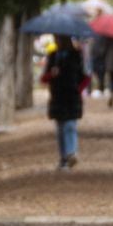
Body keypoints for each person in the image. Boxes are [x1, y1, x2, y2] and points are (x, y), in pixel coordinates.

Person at [42, 36, 86, 169]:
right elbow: (44, 78)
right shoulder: (53, 56)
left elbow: (84, 76)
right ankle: (63, 158)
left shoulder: (77, 55)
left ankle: (71, 153)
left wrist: (78, 88)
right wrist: (52, 75)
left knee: (70, 125)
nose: (57, 40)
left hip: (72, 95)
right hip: (58, 96)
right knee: (61, 128)